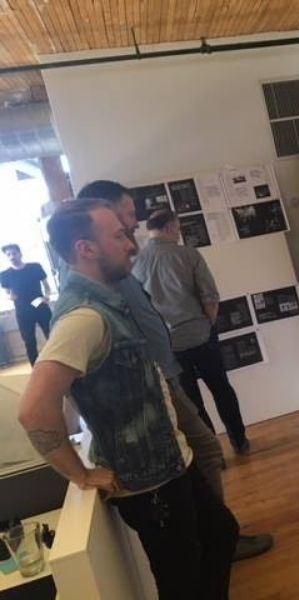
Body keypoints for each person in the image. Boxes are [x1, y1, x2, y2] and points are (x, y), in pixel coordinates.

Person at [17, 199, 239, 598]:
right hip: (149, 485)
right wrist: (79, 474)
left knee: (221, 534)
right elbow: (34, 409)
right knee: (181, 581)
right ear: (86, 249)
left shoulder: (105, 302)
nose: (131, 243)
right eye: (118, 235)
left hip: (171, 463)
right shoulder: (84, 317)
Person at [75, 180, 271, 561]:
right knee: (207, 448)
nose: (134, 224)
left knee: (202, 451)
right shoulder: (104, 282)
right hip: (162, 376)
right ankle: (218, 540)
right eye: (128, 215)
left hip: (166, 369)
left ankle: (216, 536)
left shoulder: (132, 263)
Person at [132, 210, 250, 454]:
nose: (178, 233)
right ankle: (239, 441)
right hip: (200, 333)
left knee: (192, 402)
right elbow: (210, 296)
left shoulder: (136, 265)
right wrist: (208, 323)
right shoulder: (187, 254)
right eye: (176, 228)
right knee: (221, 389)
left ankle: (212, 452)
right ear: (167, 228)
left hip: (168, 344)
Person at [0, 244, 52, 364]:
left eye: (14, 253)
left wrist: (47, 296)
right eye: (8, 255)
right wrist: (10, 297)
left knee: (52, 335)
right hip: (22, 311)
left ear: (20, 253)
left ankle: (58, 363)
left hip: (40, 306)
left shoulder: (35, 267)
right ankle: (35, 367)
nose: (12, 256)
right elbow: (7, 293)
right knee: (29, 341)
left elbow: (47, 286)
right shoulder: (4, 275)